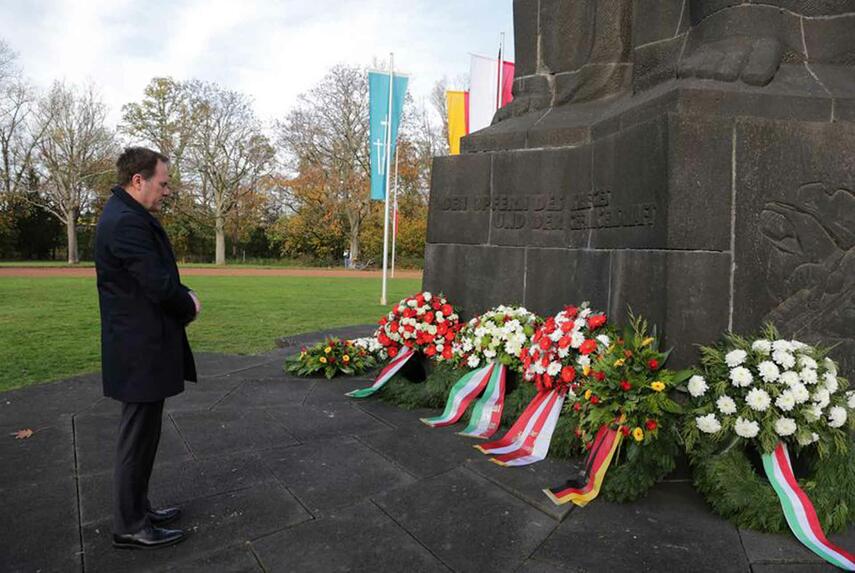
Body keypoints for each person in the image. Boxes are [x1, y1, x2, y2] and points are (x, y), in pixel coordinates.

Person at [95, 147, 201, 550]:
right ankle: (129, 525)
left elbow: (153, 278)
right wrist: (187, 303)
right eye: (163, 182)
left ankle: (138, 509)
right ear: (138, 180)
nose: (167, 190)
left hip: (140, 345)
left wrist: (181, 292)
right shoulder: (125, 222)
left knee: (144, 434)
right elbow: (156, 284)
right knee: (137, 438)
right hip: (139, 348)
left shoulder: (126, 215)